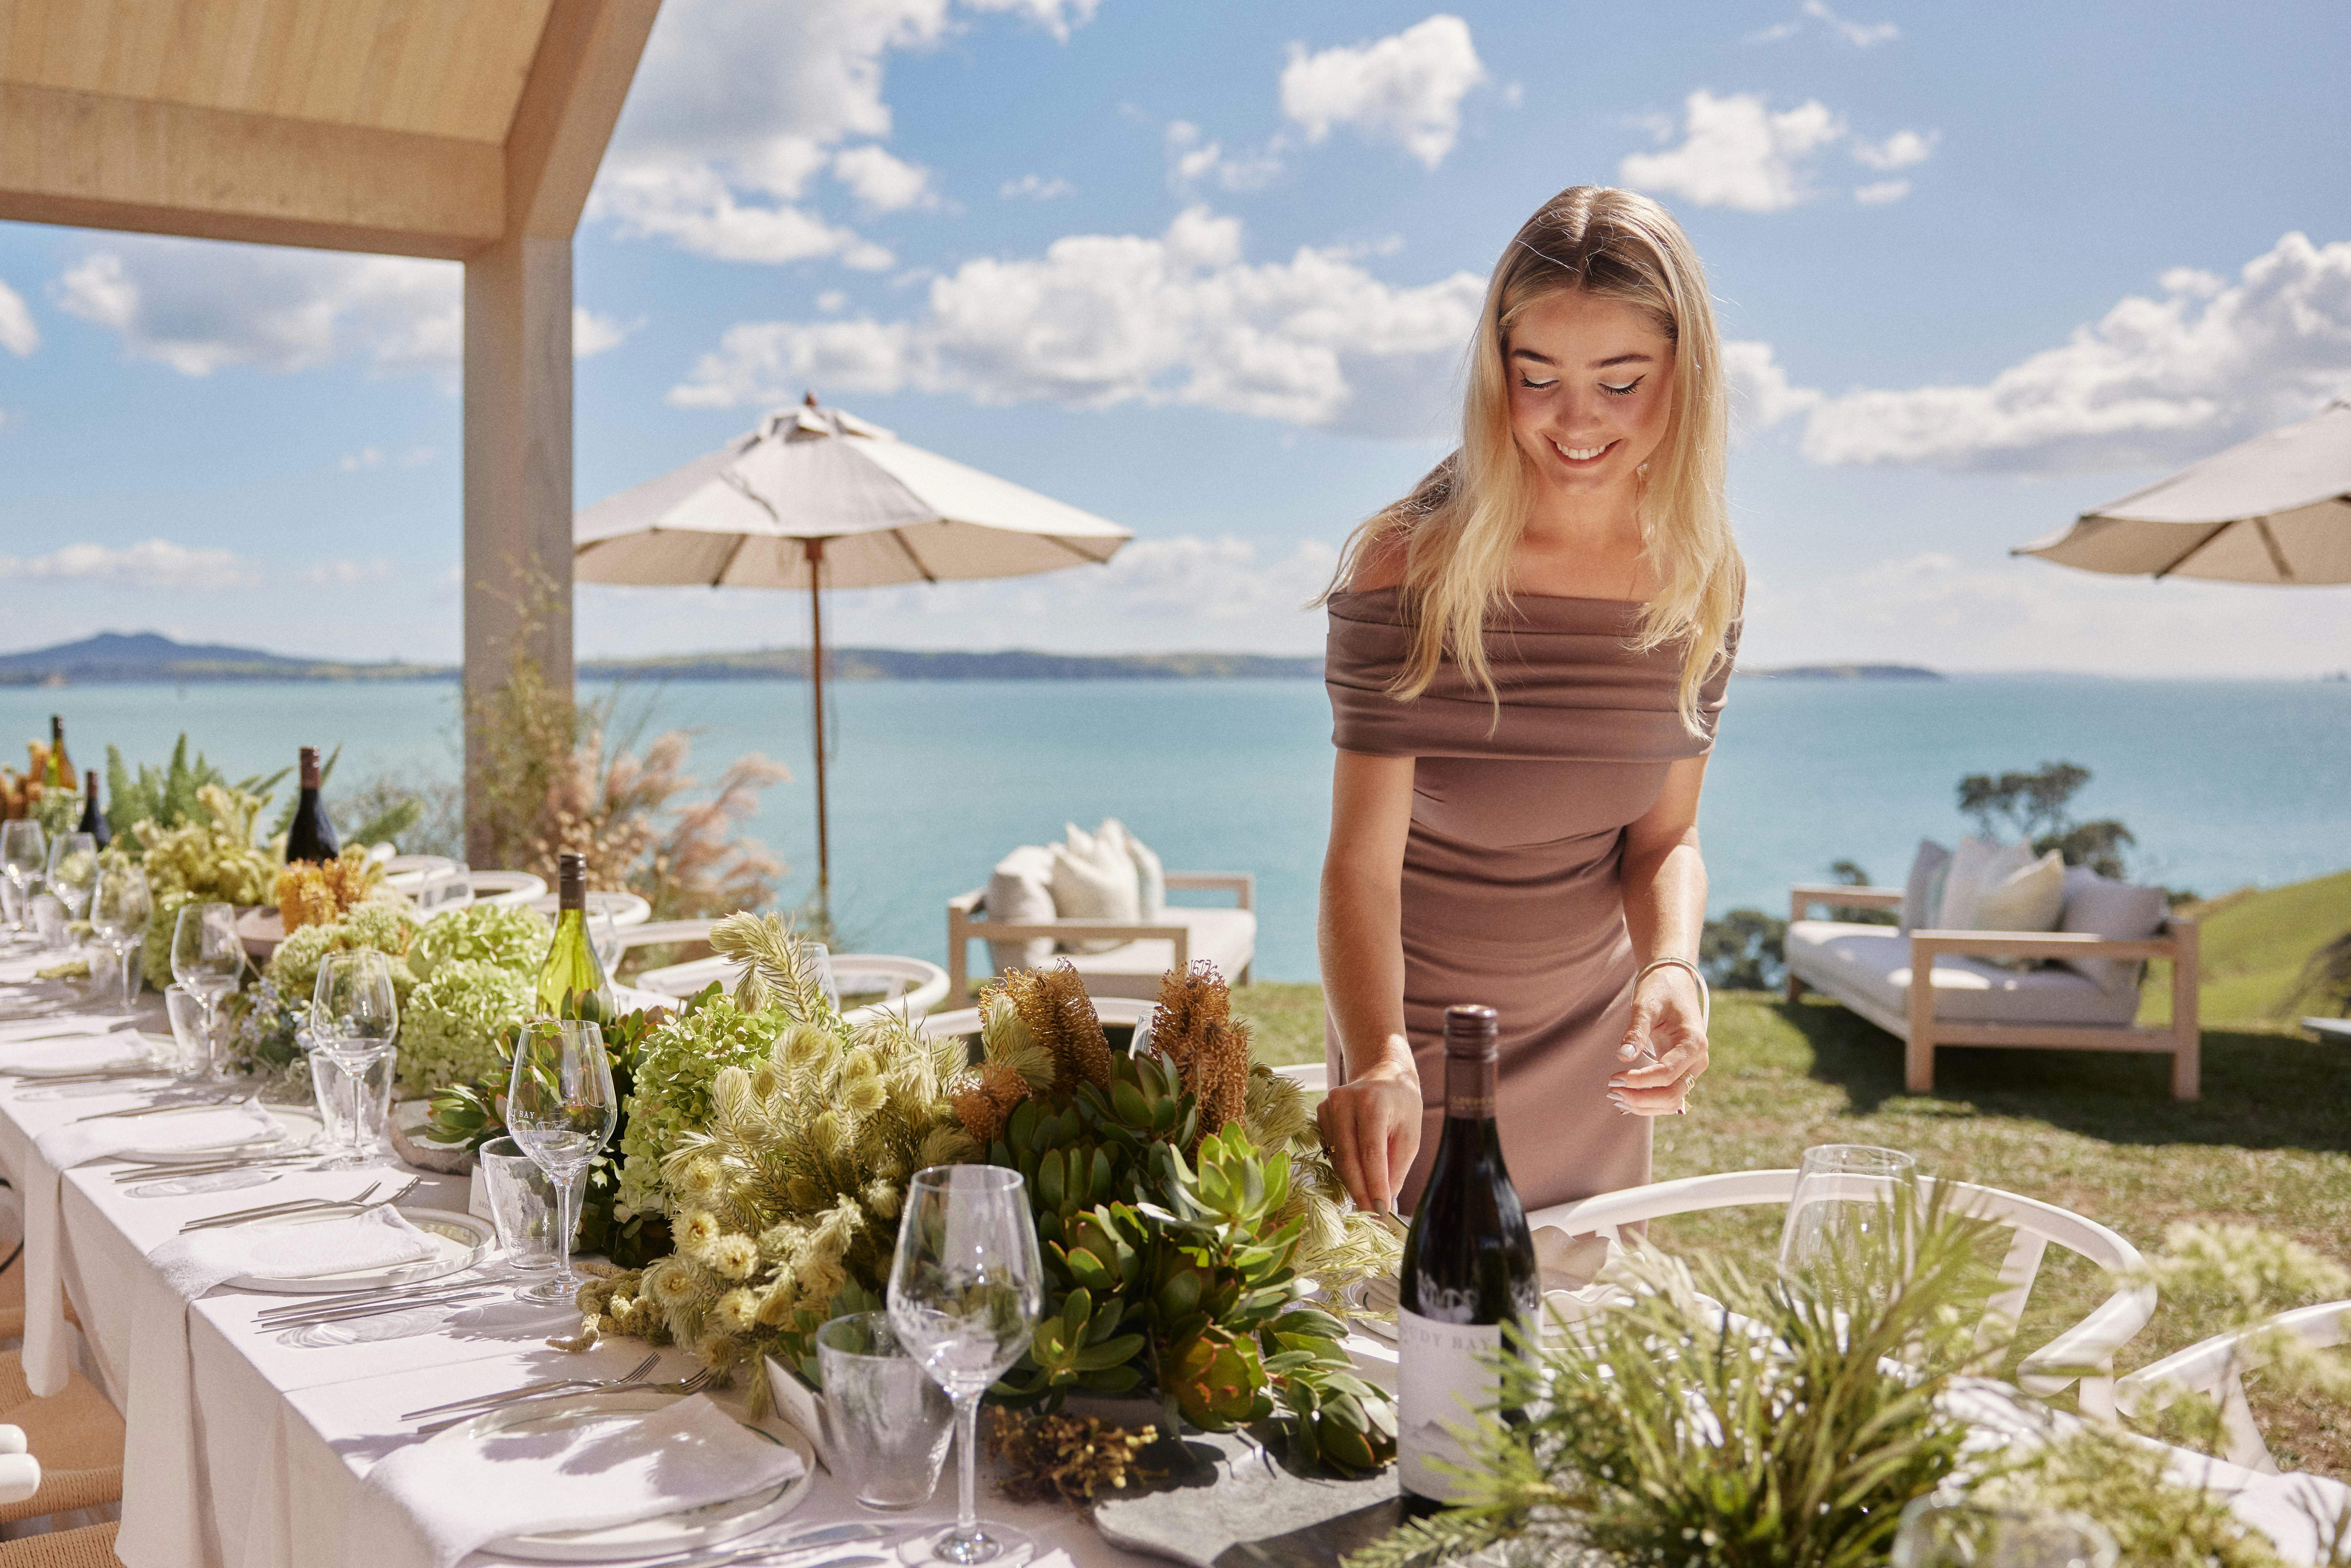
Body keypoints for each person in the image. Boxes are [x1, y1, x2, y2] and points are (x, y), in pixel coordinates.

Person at [1316, 184, 1742, 1216]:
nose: (1575, 420)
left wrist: (1672, 967)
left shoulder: (1701, 579)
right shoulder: (1406, 566)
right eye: (1536, 376)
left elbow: (1664, 840)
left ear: (1685, 375)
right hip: (1414, 1044)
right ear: (1495, 371)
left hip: (1599, 1051)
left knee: (1585, 1315)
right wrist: (1378, 1055)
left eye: (1620, 381)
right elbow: (1359, 865)